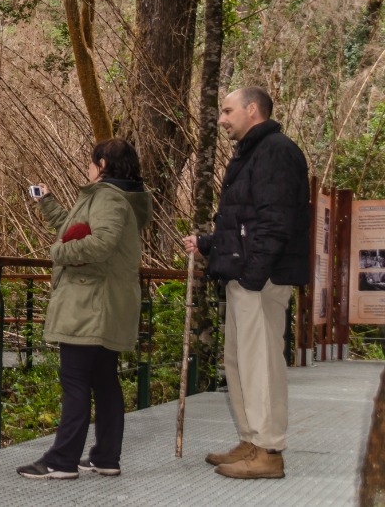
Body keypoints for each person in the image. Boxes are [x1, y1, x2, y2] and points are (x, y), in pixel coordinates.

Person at [181, 86, 309, 480]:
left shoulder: (275, 151)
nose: (222, 119)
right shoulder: (254, 152)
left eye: (227, 110)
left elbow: (276, 222)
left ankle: (269, 450)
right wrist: (208, 244)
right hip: (247, 275)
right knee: (239, 362)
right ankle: (252, 440)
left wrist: (253, 276)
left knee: (261, 364)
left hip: (261, 279)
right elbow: (245, 223)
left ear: (252, 110)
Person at [16, 138, 151, 480]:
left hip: (90, 304)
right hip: (105, 303)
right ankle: (105, 457)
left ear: (103, 164)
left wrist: (59, 253)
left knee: (75, 381)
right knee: (104, 381)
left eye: (92, 162)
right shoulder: (118, 199)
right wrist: (47, 202)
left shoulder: (107, 197)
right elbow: (78, 229)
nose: (88, 168)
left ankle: (62, 461)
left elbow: (100, 243)